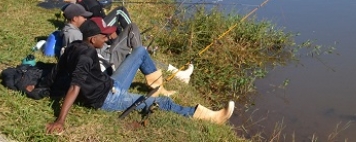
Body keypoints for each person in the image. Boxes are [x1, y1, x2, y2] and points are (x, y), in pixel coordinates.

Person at [44, 19, 235, 134]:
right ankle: (210, 117)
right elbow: (74, 87)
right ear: (92, 39)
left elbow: (57, 72)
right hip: (109, 99)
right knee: (163, 103)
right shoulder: (85, 56)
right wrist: (60, 120)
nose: (108, 38)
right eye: (104, 36)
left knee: (140, 51)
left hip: (110, 84)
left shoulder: (74, 47)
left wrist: (42, 87)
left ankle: (158, 85)